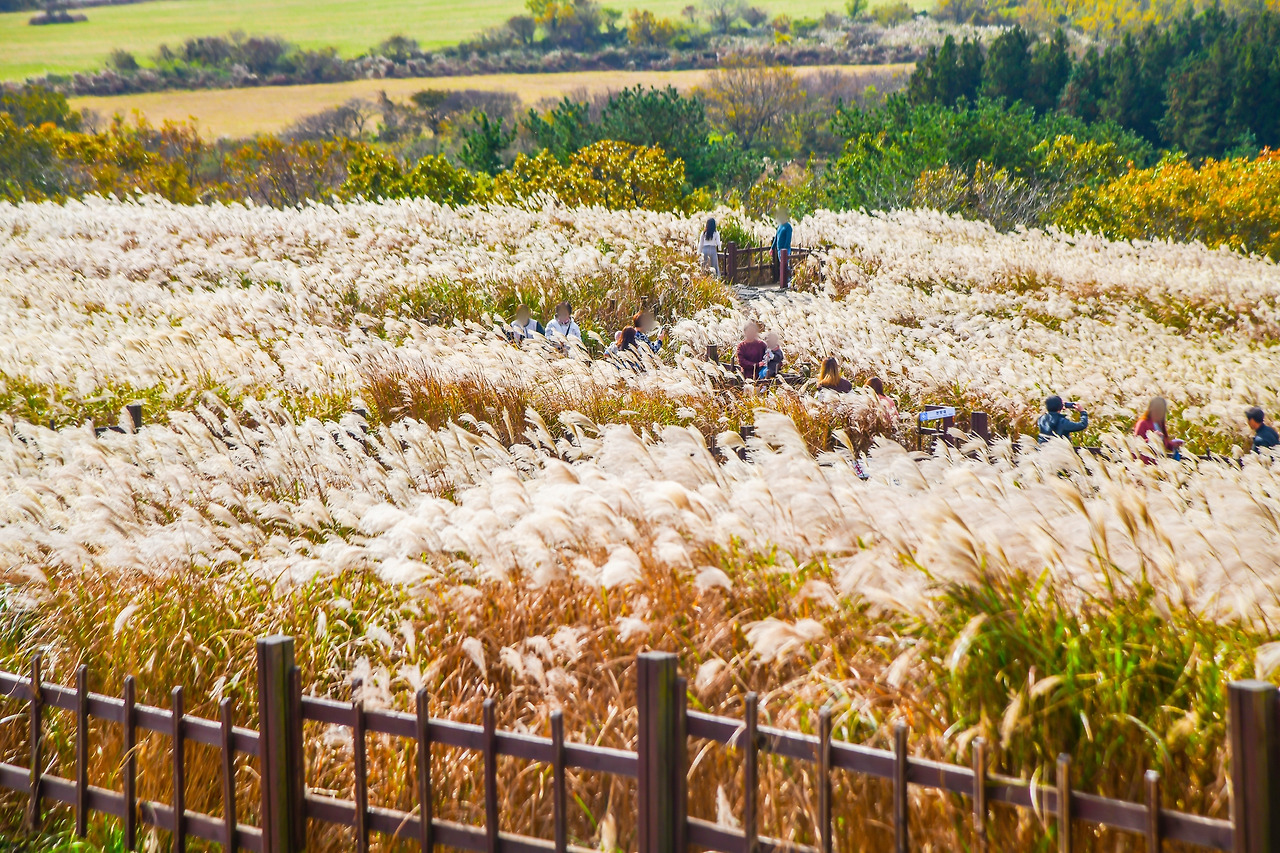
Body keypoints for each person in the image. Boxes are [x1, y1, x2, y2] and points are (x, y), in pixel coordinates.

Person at [772, 209, 793, 290]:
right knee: (782, 265)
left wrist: (784, 249)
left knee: (785, 265)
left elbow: (788, 239)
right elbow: (776, 238)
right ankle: (784, 280)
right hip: (779, 250)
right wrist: (772, 248)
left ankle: (788, 280)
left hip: (785, 250)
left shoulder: (788, 227)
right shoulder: (779, 226)